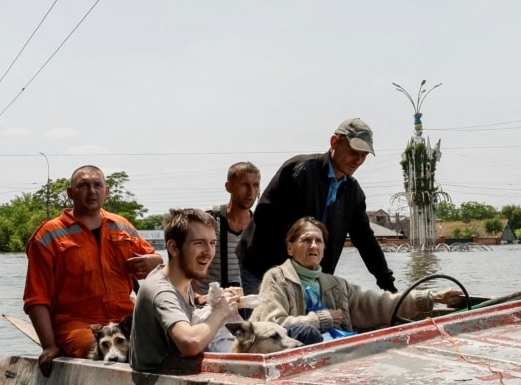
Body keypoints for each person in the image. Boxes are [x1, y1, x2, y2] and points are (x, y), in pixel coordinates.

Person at [24, 165, 161, 377]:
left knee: (168, 338)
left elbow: (156, 269)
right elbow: (36, 299)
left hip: (126, 316)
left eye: (97, 185)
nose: (91, 191)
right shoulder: (48, 236)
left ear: (107, 191)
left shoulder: (122, 226)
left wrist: (156, 260)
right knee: (95, 349)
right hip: (77, 323)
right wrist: (49, 346)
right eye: (83, 186)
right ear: (70, 193)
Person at [237, 118, 395, 295]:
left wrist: (388, 285)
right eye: (353, 152)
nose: (358, 160)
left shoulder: (353, 192)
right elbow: (265, 218)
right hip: (261, 266)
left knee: (305, 321)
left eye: (364, 155)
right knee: (263, 321)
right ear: (334, 142)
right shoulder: (299, 170)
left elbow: (365, 240)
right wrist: (287, 274)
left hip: (308, 275)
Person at [250, 218, 463, 338]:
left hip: (340, 353)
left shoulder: (336, 285)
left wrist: (432, 297)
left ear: (324, 249)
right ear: (290, 247)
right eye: (306, 240)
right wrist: (319, 321)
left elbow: (380, 304)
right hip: (298, 361)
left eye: (319, 241)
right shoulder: (277, 278)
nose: (313, 246)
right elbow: (271, 326)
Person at [131, 208, 243, 371]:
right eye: (199, 243)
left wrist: (220, 303)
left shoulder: (182, 282)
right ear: (173, 248)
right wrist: (221, 311)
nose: (208, 252)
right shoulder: (161, 290)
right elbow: (190, 343)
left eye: (212, 243)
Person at [198, 162, 260, 290]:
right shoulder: (207, 218)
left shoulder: (260, 226)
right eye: (244, 185)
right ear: (228, 187)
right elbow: (182, 262)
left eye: (256, 185)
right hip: (207, 304)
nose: (251, 192)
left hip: (244, 304)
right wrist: (198, 296)